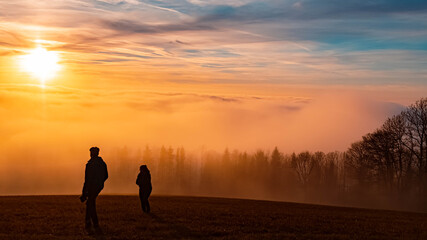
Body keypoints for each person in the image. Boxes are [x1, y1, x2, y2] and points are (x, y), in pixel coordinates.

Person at [80, 147, 108, 234]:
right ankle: (88, 222)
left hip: (92, 187)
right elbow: (106, 176)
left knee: (91, 203)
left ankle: (94, 223)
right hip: (98, 186)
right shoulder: (102, 163)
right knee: (90, 203)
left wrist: (84, 192)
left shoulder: (90, 164)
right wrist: (100, 183)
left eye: (91, 152)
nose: (90, 154)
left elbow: (87, 179)